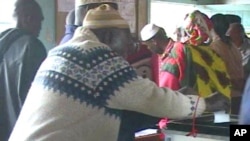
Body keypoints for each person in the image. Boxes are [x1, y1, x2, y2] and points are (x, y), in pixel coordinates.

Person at [9, 4, 229, 141]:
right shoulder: (97, 56)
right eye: (127, 42)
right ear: (107, 37)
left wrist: (180, 99)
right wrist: (204, 104)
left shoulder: (62, 51)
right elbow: (153, 99)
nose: (127, 50)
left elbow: (116, 106)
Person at [140, 21, 231, 100]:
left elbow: (170, 89)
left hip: (184, 108)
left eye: (148, 45)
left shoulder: (176, 54)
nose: (148, 48)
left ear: (154, 42)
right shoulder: (170, 52)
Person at [0, 0, 47, 140]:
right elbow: (40, 98)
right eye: (39, 21)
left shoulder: (2, 42)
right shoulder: (32, 47)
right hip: (23, 130)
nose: (40, 27)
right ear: (29, 19)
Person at [210, 13, 244, 114]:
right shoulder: (232, 45)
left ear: (211, 27)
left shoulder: (214, 47)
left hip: (224, 97)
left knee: (223, 127)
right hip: (238, 95)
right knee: (236, 127)